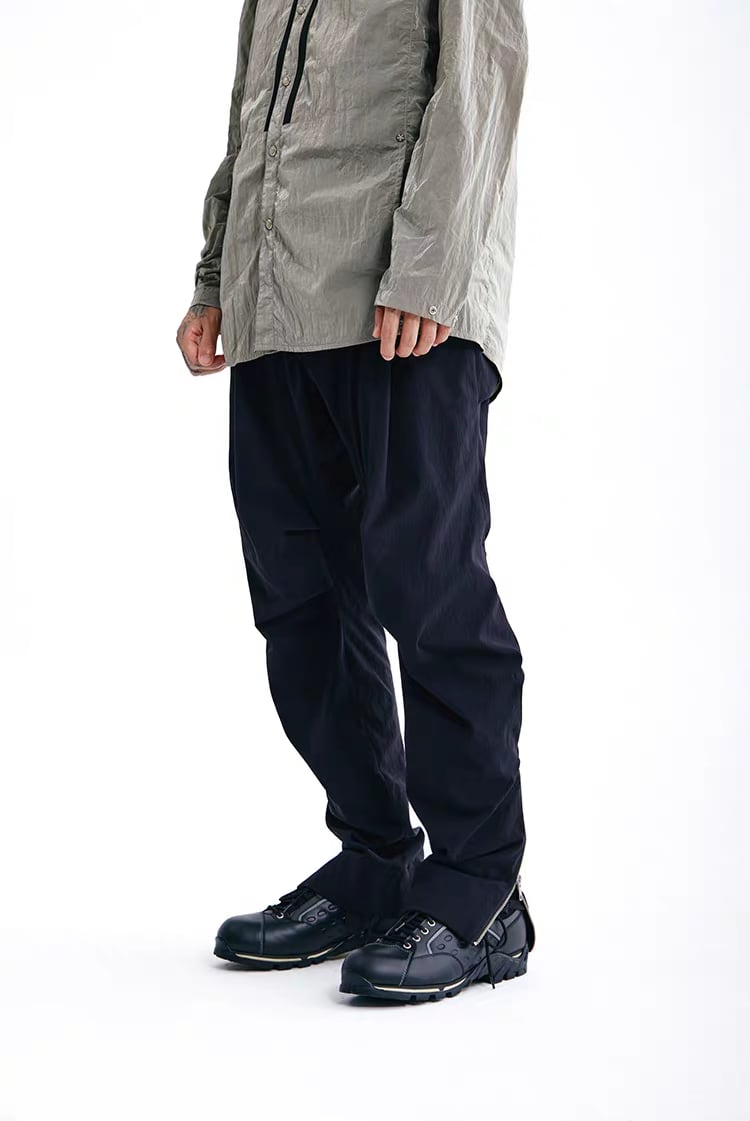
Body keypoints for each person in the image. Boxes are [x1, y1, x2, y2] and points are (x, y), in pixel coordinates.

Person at [176, 0, 535, 1004]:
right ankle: (377, 862)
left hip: (403, 307)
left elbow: (479, 88)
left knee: (428, 588)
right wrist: (217, 278)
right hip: (277, 308)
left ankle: (480, 889)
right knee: (301, 599)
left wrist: (430, 271)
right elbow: (254, 118)